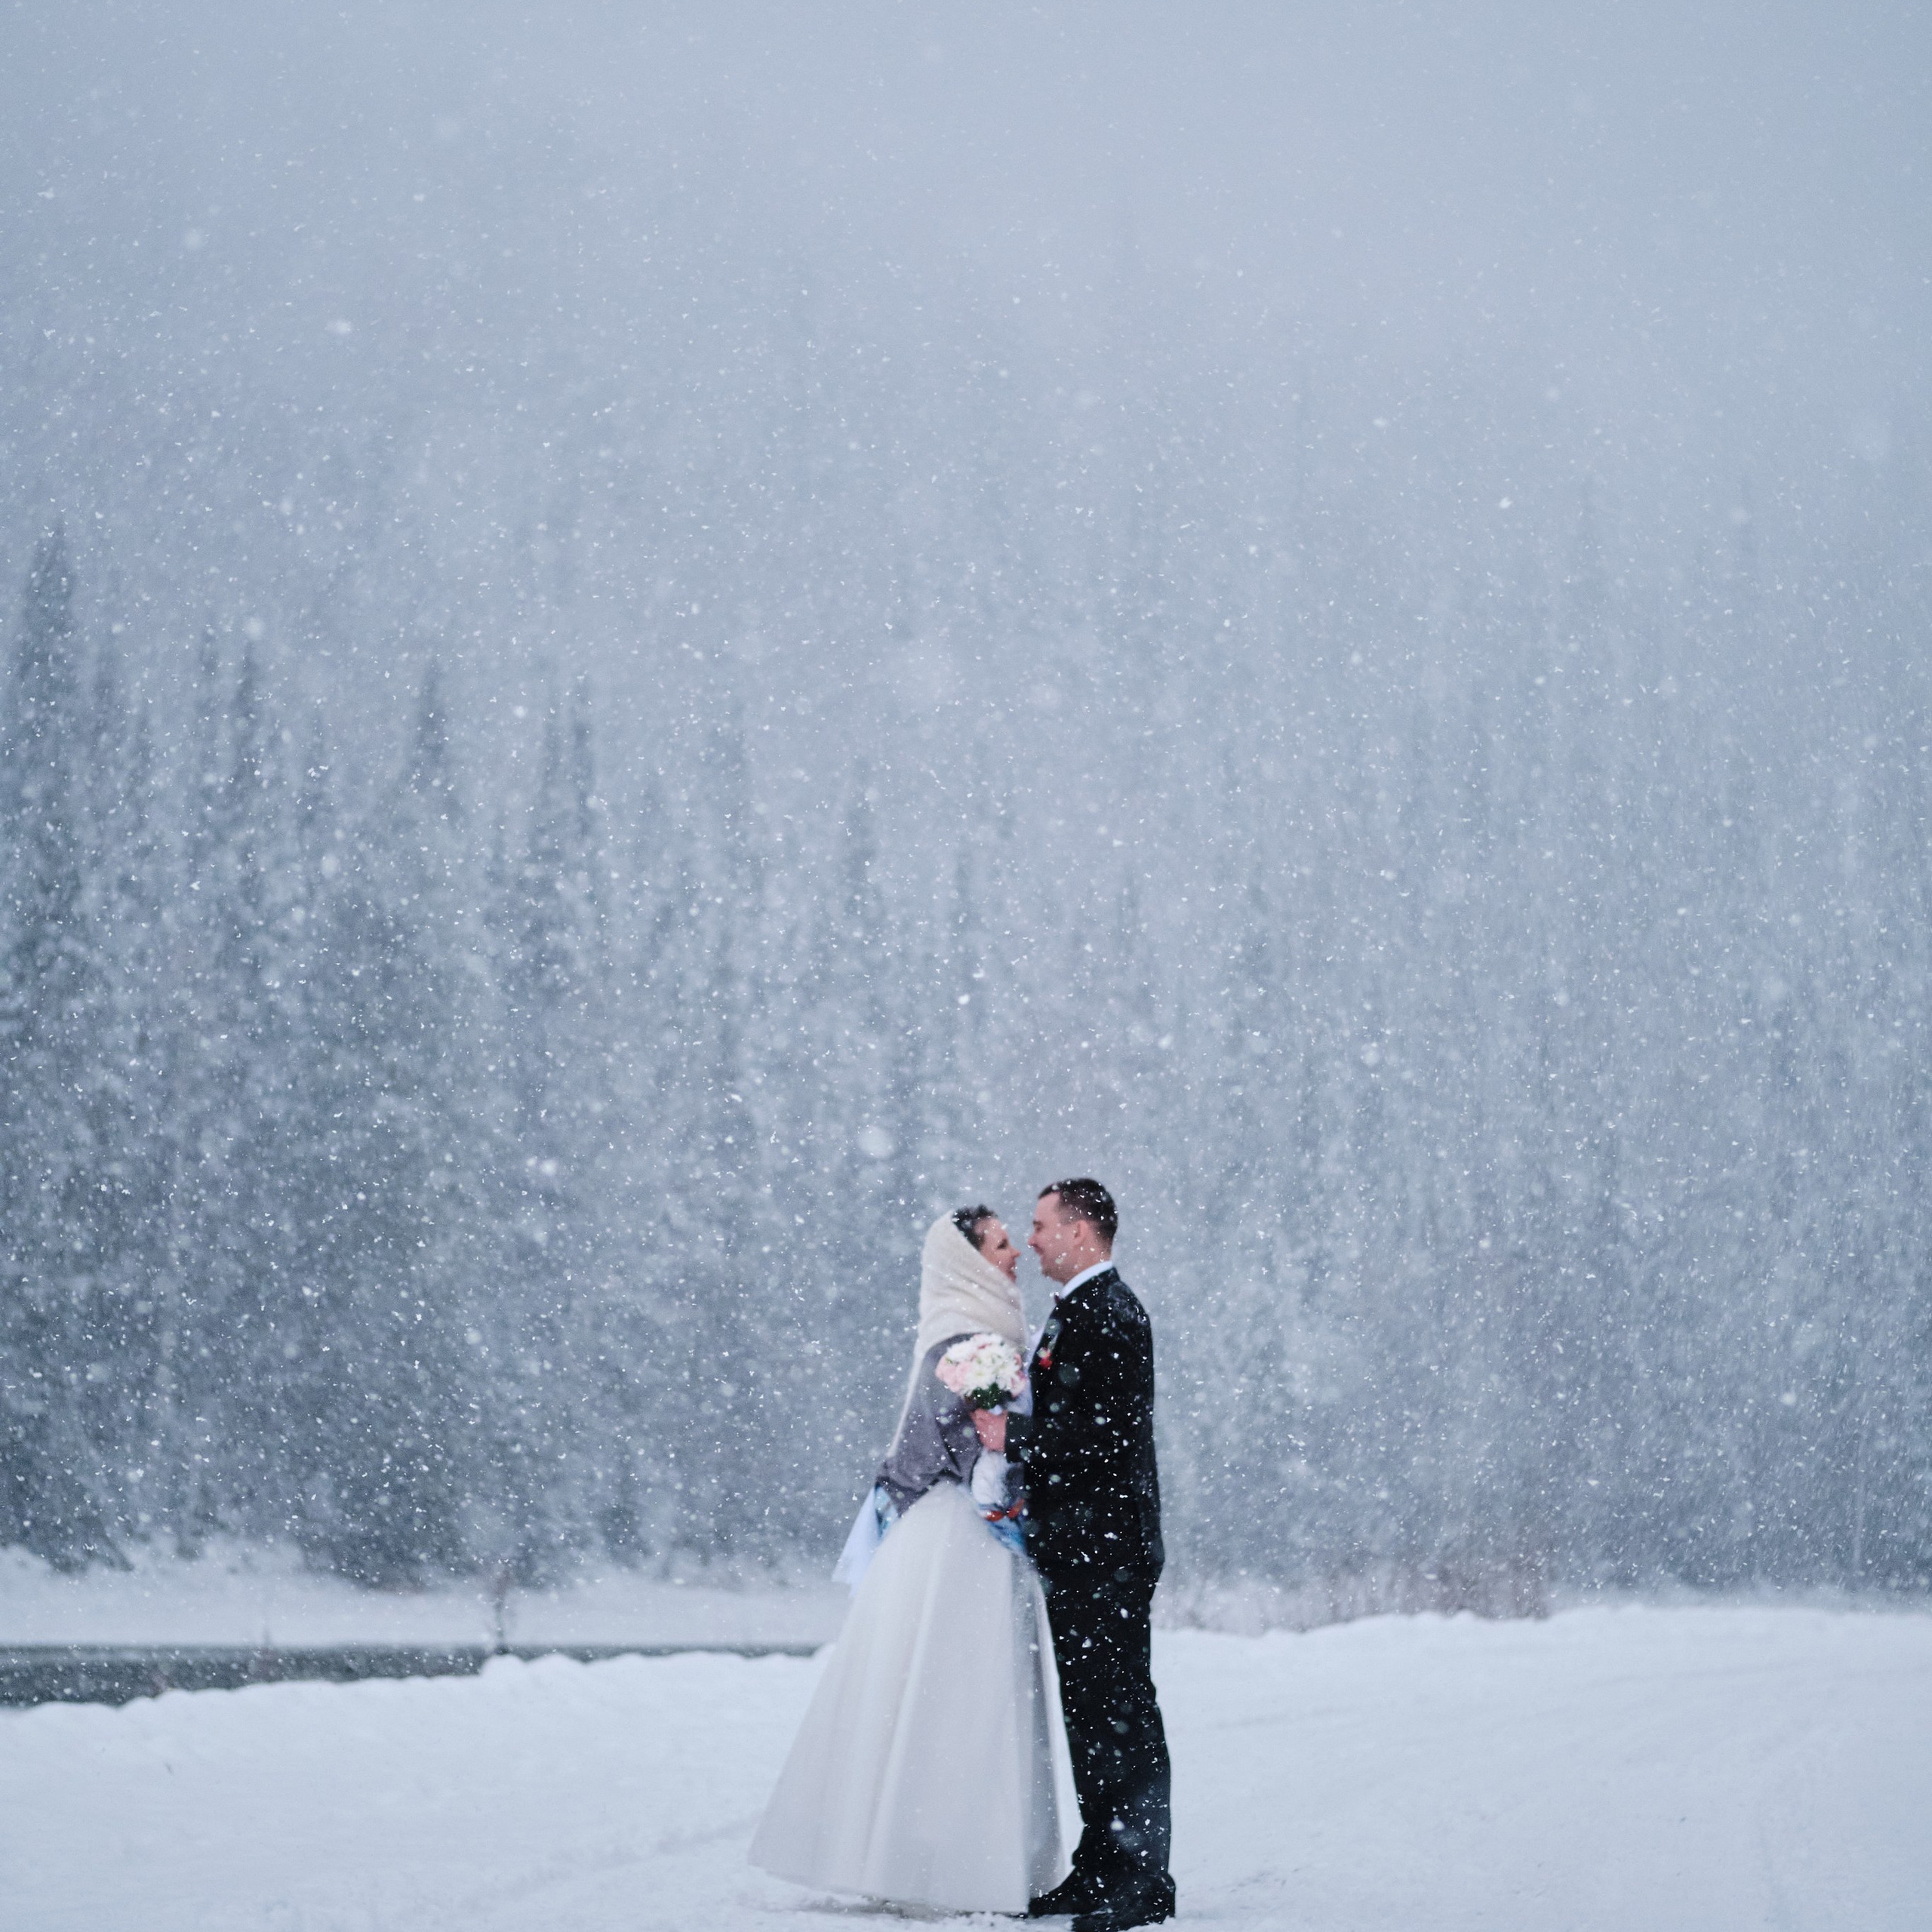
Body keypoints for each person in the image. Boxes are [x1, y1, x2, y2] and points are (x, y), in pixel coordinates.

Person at [749, 1207, 1073, 1914]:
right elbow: (944, 1447)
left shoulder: (975, 1331)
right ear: (967, 1261)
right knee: (958, 1689)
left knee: (952, 1691)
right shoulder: (967, 1338)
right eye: (998, 1244)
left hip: (967, 1533)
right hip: (962, 1537)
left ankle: (946, 1854)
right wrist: (1006, 1464)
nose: (1014, 1253)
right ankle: (944, 1858)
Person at [977, 1178, 1174, 1930]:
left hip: (1110, 1549)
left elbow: (1106, 1437)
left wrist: (1012, 1439)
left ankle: (1144, 1878)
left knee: (1121, 1709)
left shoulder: (1111, 1314)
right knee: (1089, 1711)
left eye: (1040, 1225)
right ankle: (1101, 1865)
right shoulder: (1077, 1312)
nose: (1030, 1239)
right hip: (1079, 1547)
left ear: (1082, 1232)